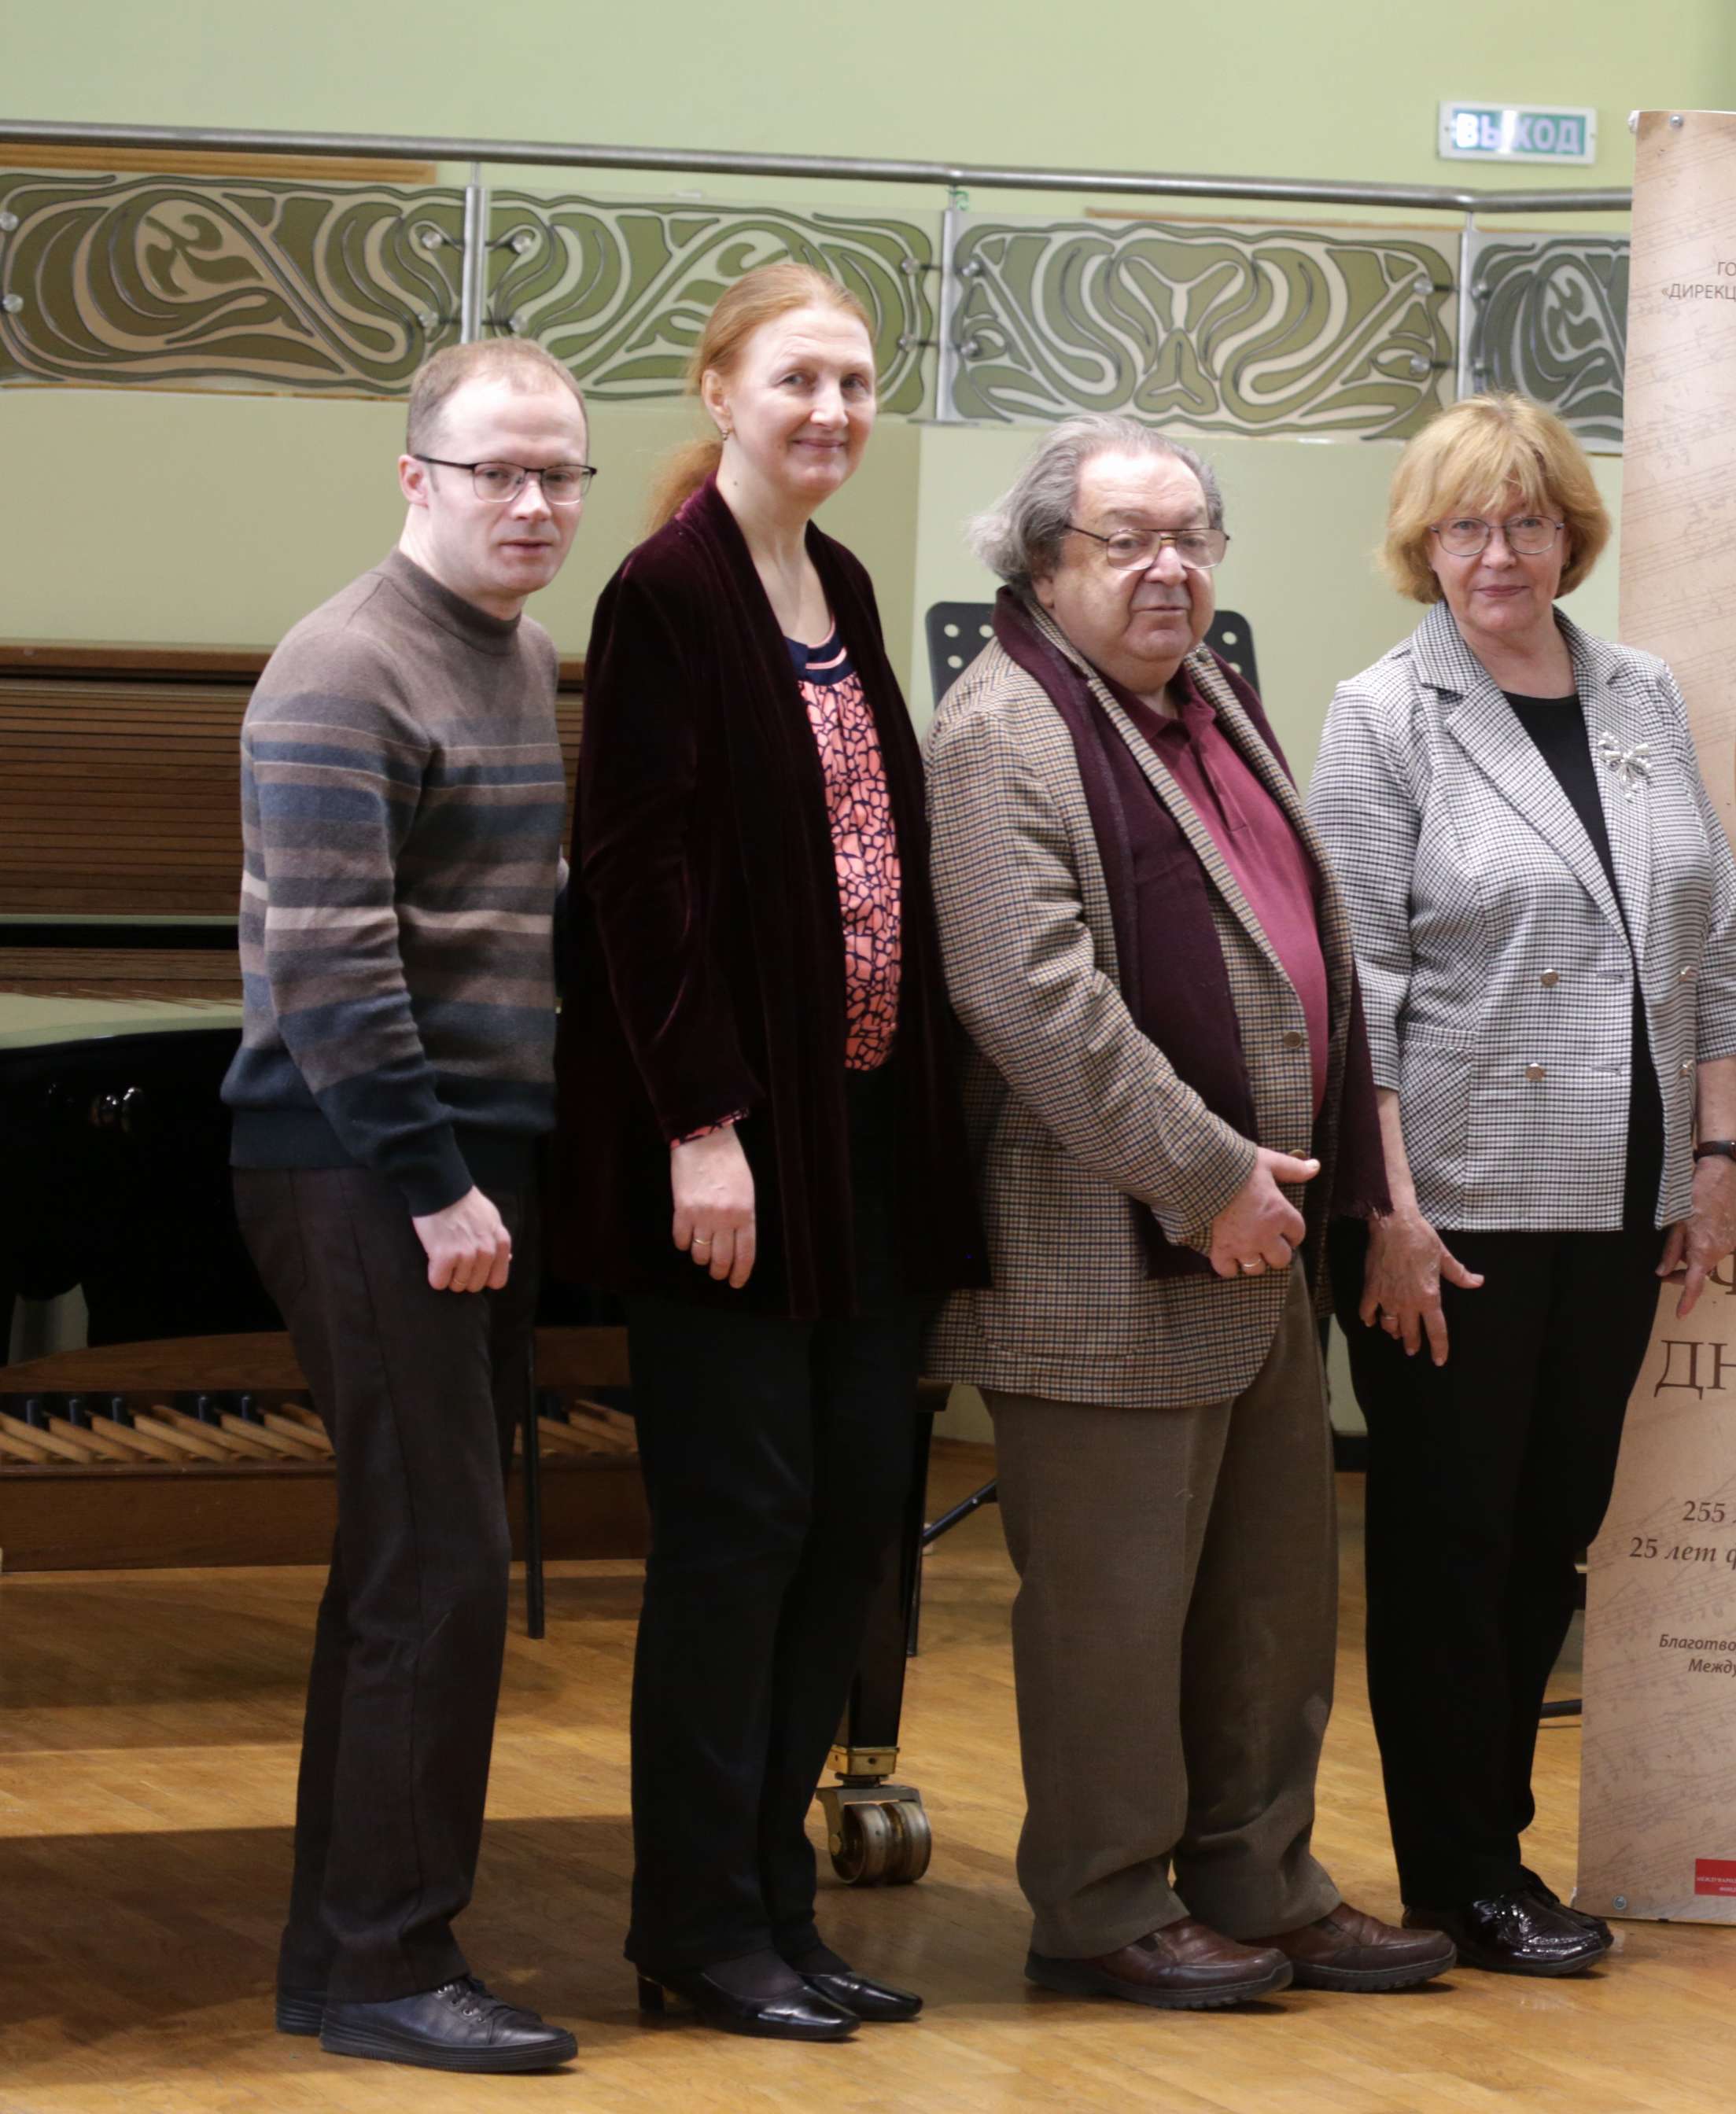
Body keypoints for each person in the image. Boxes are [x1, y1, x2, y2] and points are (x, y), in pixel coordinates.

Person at [926, 413, 1453, 2009]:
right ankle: (1100, 1903)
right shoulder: (1002, 729)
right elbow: (1028, 995)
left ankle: (1258, 1880)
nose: (1168, 569)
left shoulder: (1201, 696)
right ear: (1042, 562)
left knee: (1269, 1601)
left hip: (1259, 1240)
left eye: (1191, 538)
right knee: (1114, 1615)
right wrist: (1207, 1173)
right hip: (1106, 1242)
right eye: (1126, 541)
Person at [551, 261, 982, 2042]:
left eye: (857, 383)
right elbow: (634, 884)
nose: (832, 411)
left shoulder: (844, 581)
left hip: (862, 1150)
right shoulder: (667, 593)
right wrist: (701, 1125)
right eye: (800, 377)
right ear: (720, 390)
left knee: (845, 1530)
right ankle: (695, 1924)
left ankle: (780, 1913)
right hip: (732, 1156)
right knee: (738, 1537)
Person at [1308, 392, 1736, 1975]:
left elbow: (1712, 941)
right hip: (1453, 1206)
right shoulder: (1383, 715)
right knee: (1453, 1544)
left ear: (1572, 534)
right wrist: (1387, 1210)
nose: (1497, 553)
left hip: (1624, 1195)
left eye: (1525, 522)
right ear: (1421, 545)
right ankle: (1462, 1873)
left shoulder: (1641, 691)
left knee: (1550, 1533)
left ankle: (1494, 1843)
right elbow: (1355, 991)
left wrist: (1718, 1156)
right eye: (1464, 525)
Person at [225, 339, 594, 2075]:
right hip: (365, 1159)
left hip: (463, 1156)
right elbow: (331, 971)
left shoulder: (515, 656)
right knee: (445, 1566)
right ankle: (390, 1963)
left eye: (559, 474)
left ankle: (341, 1955)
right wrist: (436, 1183)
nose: (533, 503)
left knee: (408, 1563)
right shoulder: (342, 666)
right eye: (496, 472)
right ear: (414, 478)